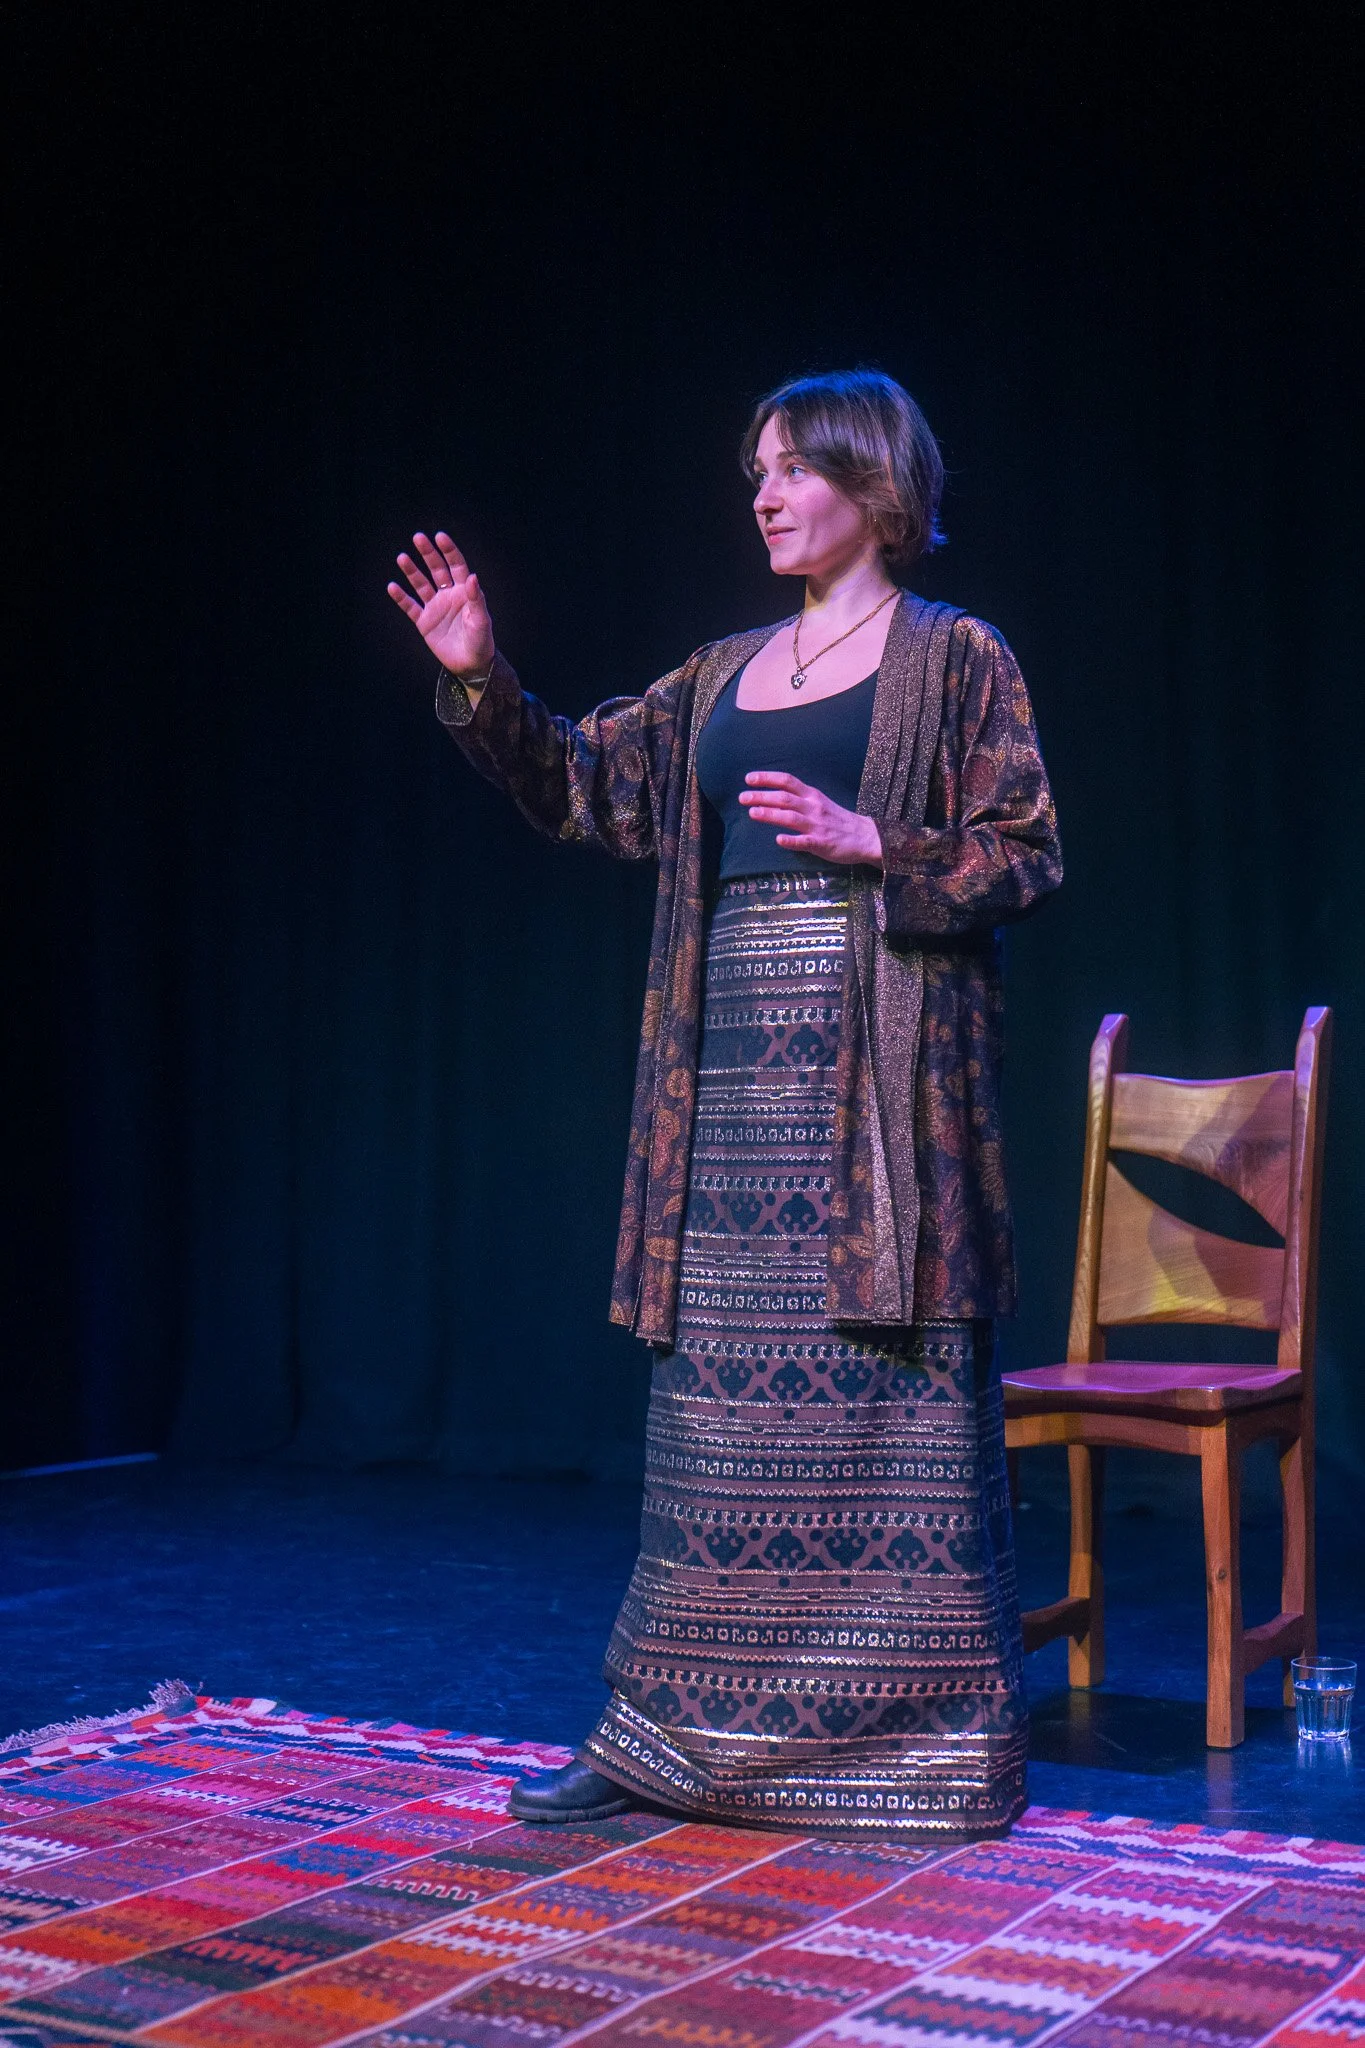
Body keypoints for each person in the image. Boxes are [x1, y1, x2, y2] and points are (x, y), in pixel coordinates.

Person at [387, 369, 1062, 1841]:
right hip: (727, 1095)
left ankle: (919, 1754)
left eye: (791, 467)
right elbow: (585, 793)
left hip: (881, 1100)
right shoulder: (718, 676)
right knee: (710, 1430)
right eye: (753, 469)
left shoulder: (958, 660)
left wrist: (879, 841)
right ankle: (667, 1741)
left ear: (873, 483)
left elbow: (1026, 851)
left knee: (887, 1410)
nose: (761, 492)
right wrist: (478, 676)